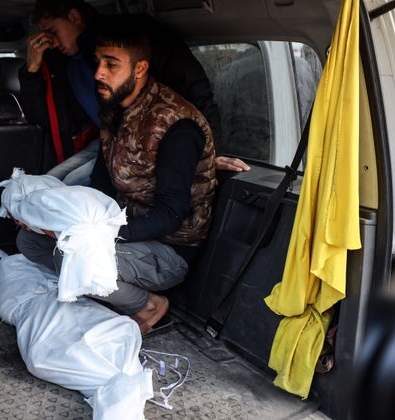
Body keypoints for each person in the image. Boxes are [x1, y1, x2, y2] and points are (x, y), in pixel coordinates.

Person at [16, 17, 217, 333]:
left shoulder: (177, 125)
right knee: (29, 240)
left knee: (73, 258)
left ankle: (148, 303)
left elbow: (169, 216)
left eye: (111, 65)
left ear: (139, 69)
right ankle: (101, 289)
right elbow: (99, 186)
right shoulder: (114, 112)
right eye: (98, 63)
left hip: (168, 250)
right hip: (125, 229)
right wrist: (53, 221)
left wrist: (89, 235)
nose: (98, 73)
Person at [18, 0, 248, 185]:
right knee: (47, 182)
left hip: (140, 143)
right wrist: (32, 68)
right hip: (105, 140)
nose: (100, 73)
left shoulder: (128, 41)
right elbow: (45, 116)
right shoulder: (62, 62)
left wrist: (211, 151)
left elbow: (195, 89)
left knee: (68, 185)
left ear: (75, 17)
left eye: (53, 31)